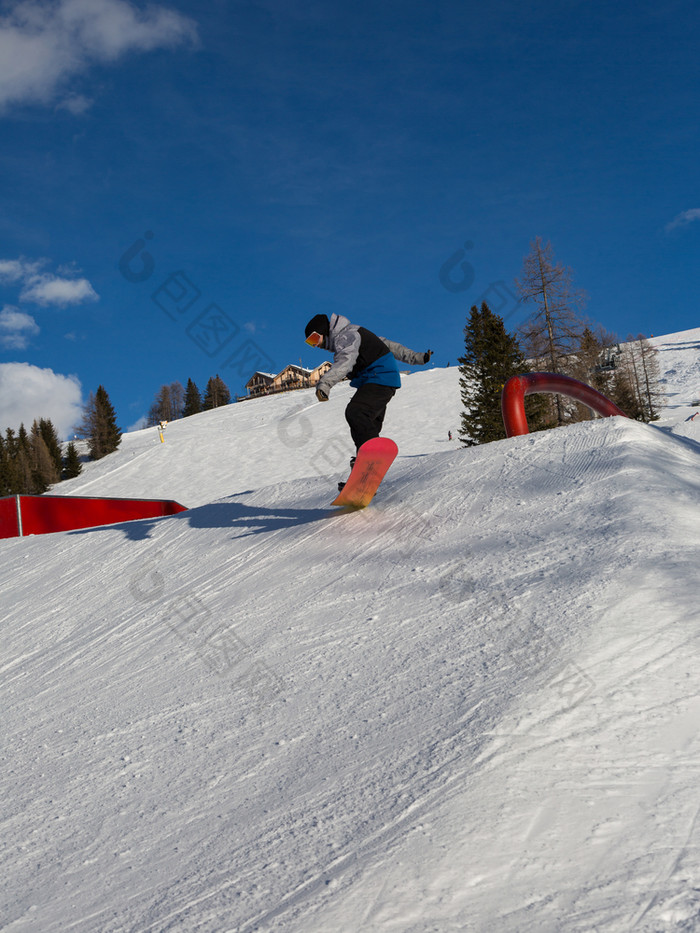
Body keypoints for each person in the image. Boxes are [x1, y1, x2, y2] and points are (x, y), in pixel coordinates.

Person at [304, 313, 432, 459]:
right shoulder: (354, 332)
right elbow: (388, 345)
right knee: (366, 426)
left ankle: (372, 456)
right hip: (381, 381)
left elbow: (345, 360)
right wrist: (417, 357)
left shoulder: (346, 336)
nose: (315, 345)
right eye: (310, 343)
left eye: (313, 339)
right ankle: (365, 468)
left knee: (356, 412)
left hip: (379, 378)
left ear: (322, 331)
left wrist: (325, 384)